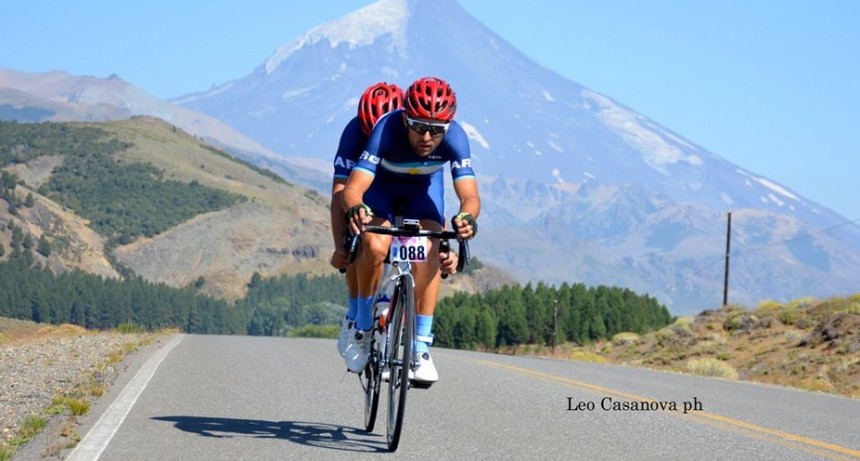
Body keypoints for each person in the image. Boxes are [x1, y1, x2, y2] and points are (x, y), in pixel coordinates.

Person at [342, 76, 480, 384]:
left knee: (429, 251)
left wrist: (467, 217)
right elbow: (354, 188)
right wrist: (356, 207)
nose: (427, 137)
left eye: (436, 130)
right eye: (418, 126)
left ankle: (420, 348)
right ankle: (362, 330)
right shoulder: (387, 129)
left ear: (448, 126)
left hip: (423, 191)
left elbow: (469, 195)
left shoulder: (456, 138)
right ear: (405, 118)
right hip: (382, 190)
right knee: (375, 246)